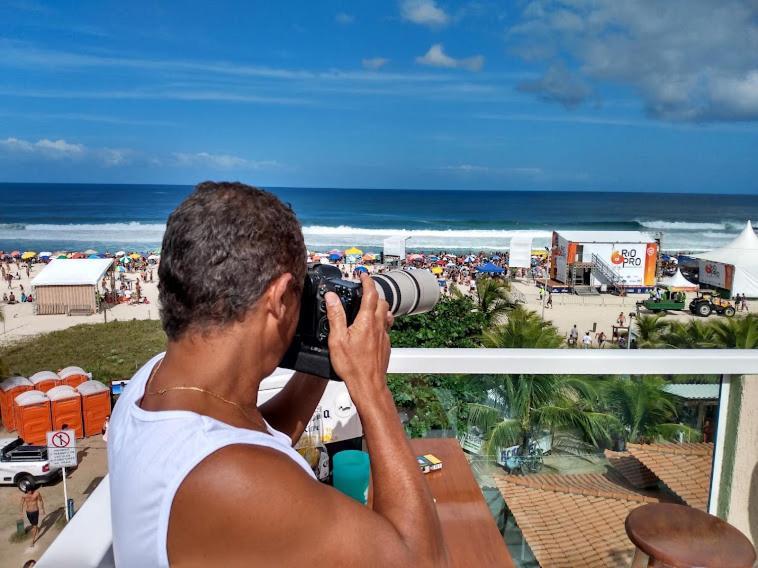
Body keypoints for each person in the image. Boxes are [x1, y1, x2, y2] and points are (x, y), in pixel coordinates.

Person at [108, 182, 447, 566]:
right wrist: (372, 389)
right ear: (281, 297)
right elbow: (423, 559)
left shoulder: (152, 383)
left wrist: (321, 359)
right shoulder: (231, 481)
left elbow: (253, 436)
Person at [20, 482, 45, 547]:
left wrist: (42, 509)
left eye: (31, 490)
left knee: (34, 526)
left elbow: (40, 500)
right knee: (33, 524)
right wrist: (21, 512)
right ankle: (36, 529)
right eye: (28, 491)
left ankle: (32, 541)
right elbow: (21, 504)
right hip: (28, 512)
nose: (30, 492)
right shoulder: (24, 496)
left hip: (35, 511)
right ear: (26, 490)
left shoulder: (36, 494)